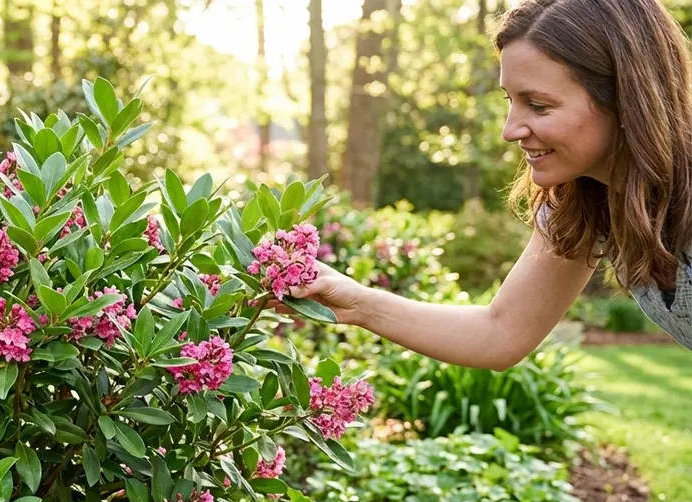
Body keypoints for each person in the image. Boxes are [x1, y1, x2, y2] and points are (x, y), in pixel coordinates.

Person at [290, 0, 692, 369]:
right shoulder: (583, 201)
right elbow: (500, 332)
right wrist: (356, 302)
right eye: (509, 101)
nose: (510, 130)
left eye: (538, 105)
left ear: (626, 100)